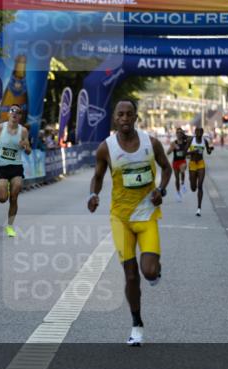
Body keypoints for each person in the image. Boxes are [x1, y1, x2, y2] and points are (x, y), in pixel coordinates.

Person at [88, 100, 171, 346]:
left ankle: (155, 270)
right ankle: (137, 325)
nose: (124, 118)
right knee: (131, 276)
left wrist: (161, 190)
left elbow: (166, 169)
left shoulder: (151, 143)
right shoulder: (106, 148)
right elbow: (97, 176)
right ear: (115, 118)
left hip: (146, 216)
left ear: (136, 117)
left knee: (149, 271)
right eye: (120, 114)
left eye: (129, 114)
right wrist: (93, 195)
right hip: (121, 219)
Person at [0, 104, 32, 237]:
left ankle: (10, 226)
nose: (15, 113)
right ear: (8, 114)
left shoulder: (23, 131)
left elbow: (29, 151)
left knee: (14, 195)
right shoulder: (0, 128)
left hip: (16, 166)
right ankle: (5, 189)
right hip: (2, 166)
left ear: (20, 116)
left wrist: (25, 147)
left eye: (18, 112)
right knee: (2, 198)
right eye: (12, 110)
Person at [187, 126, 214, 216]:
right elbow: (184, 153)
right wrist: (192, 152)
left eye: (201, 131)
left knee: (200, 186)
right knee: (193, 188)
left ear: (202, 133)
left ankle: (199, 208)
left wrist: (210, 149)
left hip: (201, 164)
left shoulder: (204, 141)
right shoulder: (191, 140)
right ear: (195, 132)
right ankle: (191, 180)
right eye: (197, 131)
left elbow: (208, 152)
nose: (199, 133)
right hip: (192, 164)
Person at [169, 127, 190, 202]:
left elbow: (187, 153)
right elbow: (168, 152)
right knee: (177, 179)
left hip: (182, 161)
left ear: (182, 134)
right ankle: (178, 193)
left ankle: (183, 183)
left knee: (182, 170)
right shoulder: (173, 143)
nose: (179, 134)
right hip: (175, 162)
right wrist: (172, 148)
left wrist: (189, 155)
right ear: (176, 134)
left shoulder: (185, 143)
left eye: (180, 132)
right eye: (177, 132)